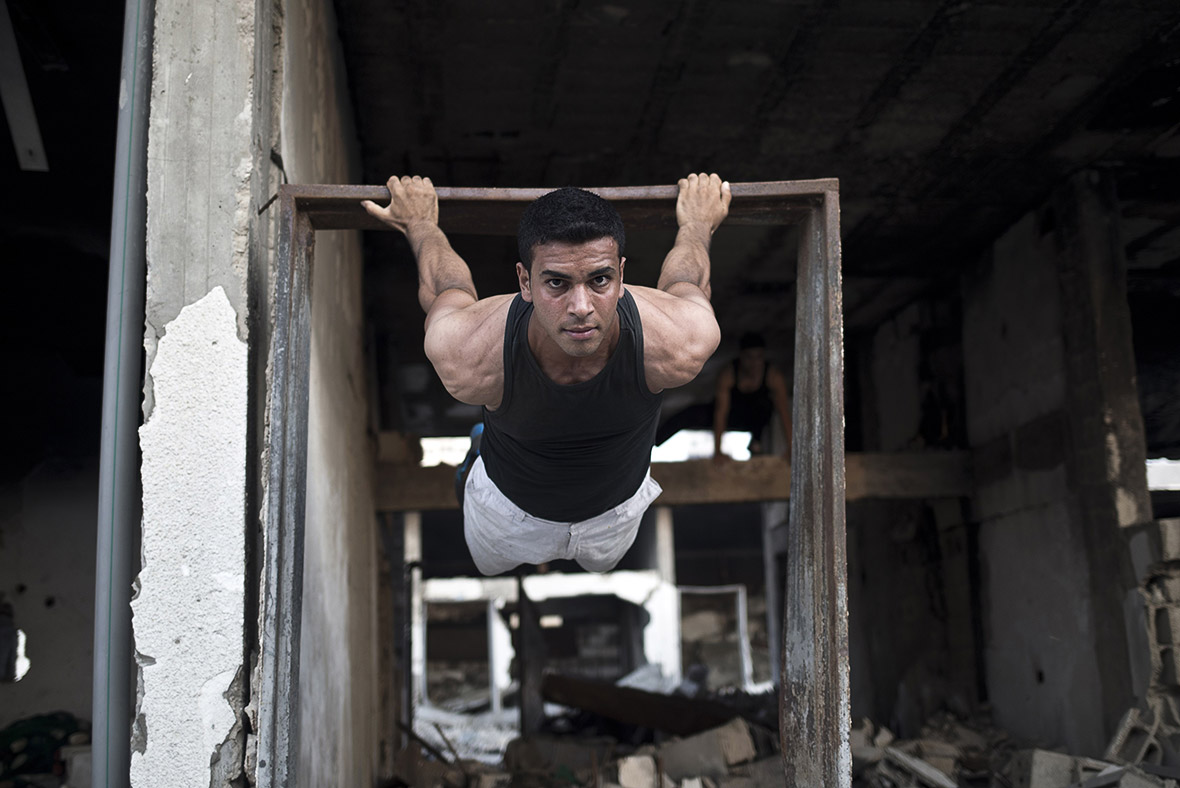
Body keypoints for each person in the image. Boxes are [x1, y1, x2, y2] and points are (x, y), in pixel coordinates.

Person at [362, 173, 730, 575]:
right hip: (506, 519)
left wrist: (697, 223)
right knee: (489, 549)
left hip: (613, 521)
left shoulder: (676, 340)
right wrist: (420, 225)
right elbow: (445, 289)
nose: (581, 306)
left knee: (601, 564)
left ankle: (482, 441)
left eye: (599, 280)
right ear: (525, 281)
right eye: (557, 282)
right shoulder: (470, 349)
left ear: (622, 276)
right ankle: (478, 452)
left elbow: (687, 283)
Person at [711, 331, 792, 462]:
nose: (754, 363)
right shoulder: (728, 375)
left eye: (758, 357)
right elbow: (721, 413)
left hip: (757, 418)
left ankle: (756, 445)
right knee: (690, 415)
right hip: (734, 415)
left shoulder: (773, 377)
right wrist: (717, 451)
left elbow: (784, 413)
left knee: (764, 406)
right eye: (749, 357)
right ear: (741, 357)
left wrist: (791, 448)